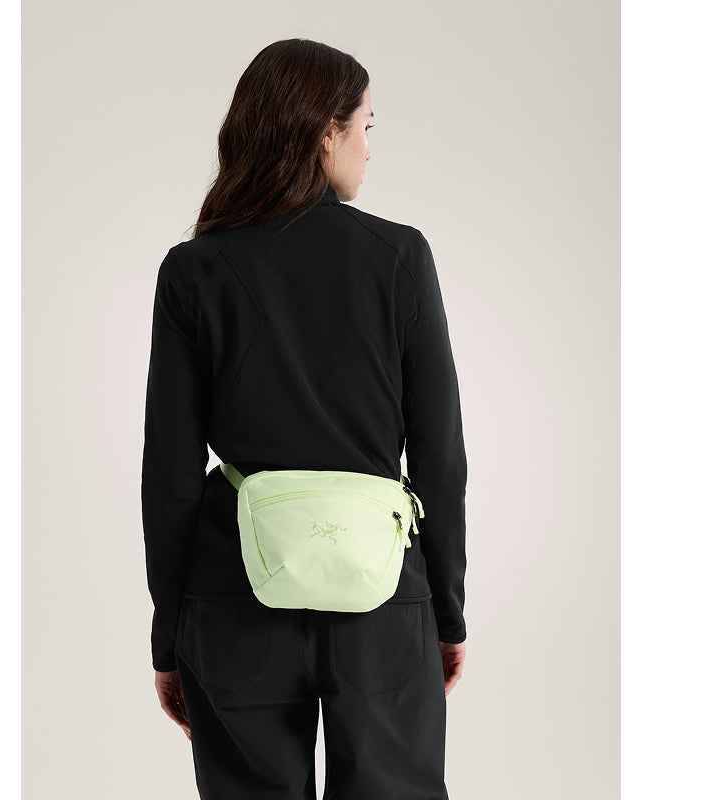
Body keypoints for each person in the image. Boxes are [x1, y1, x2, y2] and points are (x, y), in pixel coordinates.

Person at [141, 37, 468, 800]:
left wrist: (170, 636)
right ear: (327, 132)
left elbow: (170, 474)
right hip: (380, 600)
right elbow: (440, 458)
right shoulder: (397, 256)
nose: (368, 148)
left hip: (232, 595)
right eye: (365, 127)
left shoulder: (194, 270)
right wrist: (445, 615)